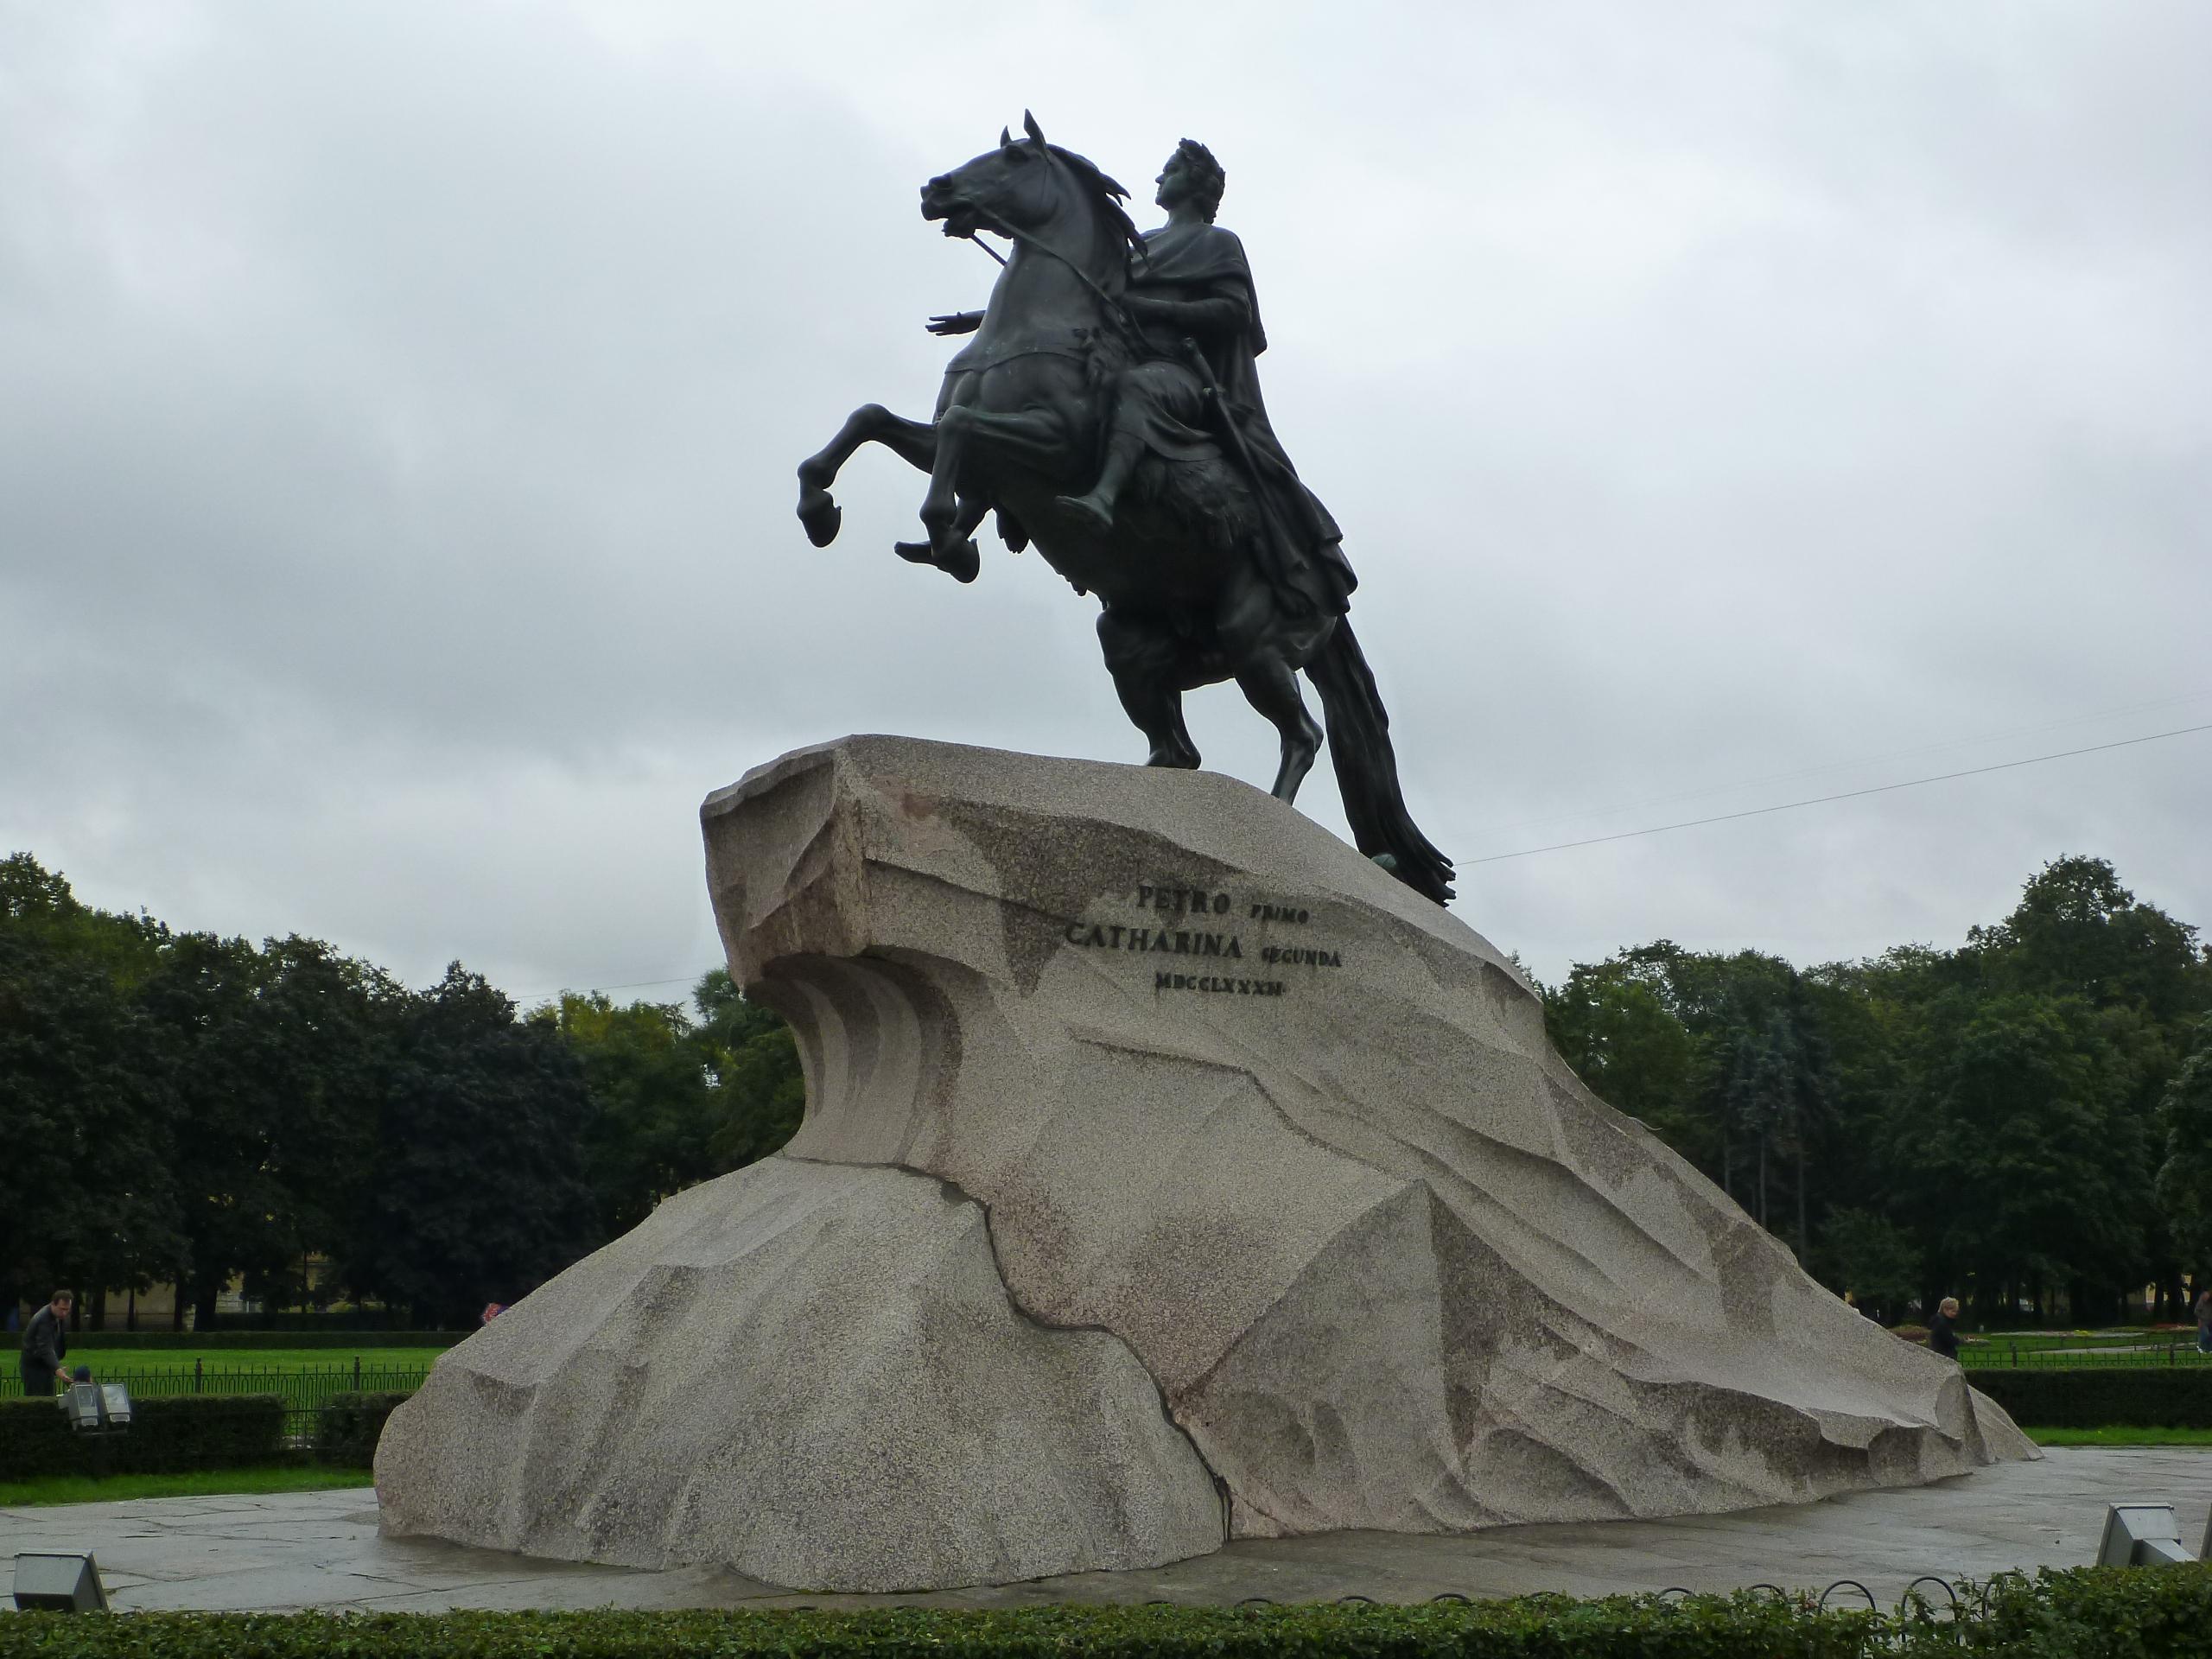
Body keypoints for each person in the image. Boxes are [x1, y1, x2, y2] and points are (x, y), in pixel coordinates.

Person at [1051, 139, 1354, 625]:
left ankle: (1104, 496)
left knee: (1137, 390)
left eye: (1169, 170)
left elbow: (1235, 312)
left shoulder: (1218, 243)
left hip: (1181, 378)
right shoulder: (1140, 245)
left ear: (1196, 182)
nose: (1157, 179)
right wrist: (988, 319)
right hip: (1121, 359)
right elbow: (1089, 304)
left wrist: (1153, 309)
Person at [18, 1289, 72, 1398]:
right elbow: (45, 1348)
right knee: (36, 1402)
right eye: (62, 1309)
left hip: (45, 1366)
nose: (64, 1313)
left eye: (67, 1310)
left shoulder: (56, 1315)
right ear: (53, 1304)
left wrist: (56, 1366)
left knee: (49, 1399)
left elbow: (55, 1343)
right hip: (34, 1368)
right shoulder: (44, 1319)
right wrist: (58, 1369)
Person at [1927, 1296, 1967, 1360]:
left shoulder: (1939, 1320)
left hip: (1939, 1354)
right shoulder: (1942, 1323)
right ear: (1945, 1309)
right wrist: (1960, 1341)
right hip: (1944, 1356)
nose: (1955, 1314)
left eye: (1956, 1312)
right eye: (1953, 1311)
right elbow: (1948, 1338)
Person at [2194, 1284, 2211, 1354]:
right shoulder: (2201, 1302)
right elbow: (2196, 1311)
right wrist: (2202, 1318)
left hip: (2210, 1321)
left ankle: (2208, 1349)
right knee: (2205, 1335)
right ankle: (2202, 1347)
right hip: (2204, 1322)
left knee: (2209, 1336)